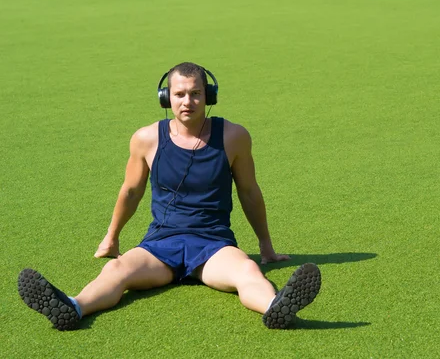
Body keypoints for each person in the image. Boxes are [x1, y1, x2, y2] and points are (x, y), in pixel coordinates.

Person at [17, 62, 321, 331]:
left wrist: (265, 247)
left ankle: (274, 307)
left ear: (208, 96)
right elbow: (131, 191)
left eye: (196, 93)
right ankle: (73, 306)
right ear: (167, 97)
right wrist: (111, 237)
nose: (187, 101)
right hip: (161, 245)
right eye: (179, 94)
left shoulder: (233, 136)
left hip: (213, 245)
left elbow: (249, 192)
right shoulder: (147, 138)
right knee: (116, 269)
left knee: (246, 270)